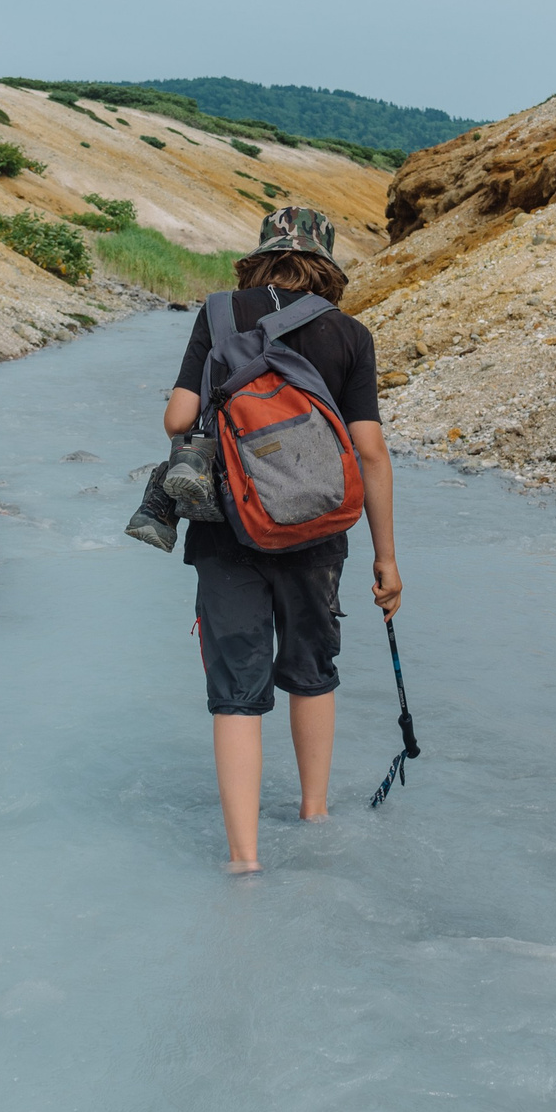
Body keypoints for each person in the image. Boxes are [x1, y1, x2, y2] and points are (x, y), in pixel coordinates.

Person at [161, 207, 400, 873]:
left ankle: (243, 858)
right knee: (311, 672)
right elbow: (370, 451)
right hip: (318, 529)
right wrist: (385, 558)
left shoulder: (216, 313)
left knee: (237, 689)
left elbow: (179, 416)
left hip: (229, 529)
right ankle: (315, 814)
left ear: (257, 258)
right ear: (325, 264)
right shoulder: (350, 333)